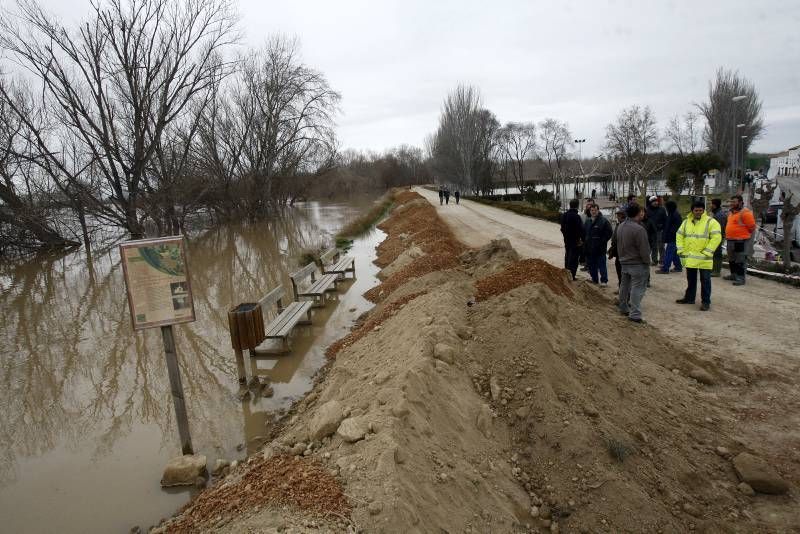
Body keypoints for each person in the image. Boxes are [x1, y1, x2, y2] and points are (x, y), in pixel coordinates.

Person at [675, 200, 722, 311]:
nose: (698, 212)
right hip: (691, 258)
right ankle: (689, 298)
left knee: (705, 280)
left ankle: (706, 302)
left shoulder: (711, 222)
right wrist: (681, 250)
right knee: (691, 279)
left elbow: (716, 238)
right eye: (696, 210)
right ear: (692, 210)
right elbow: (679, 235)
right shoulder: (686, 222)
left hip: (704, 258)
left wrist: (707, 251)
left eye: (701, 210)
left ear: (703, 210)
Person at [616, 204, 650, 323]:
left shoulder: (620, 226)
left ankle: (623, 307)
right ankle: (635, 314)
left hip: (624, 261)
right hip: (637, 263)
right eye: (642, 211)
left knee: (624, 286)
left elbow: (617, 244)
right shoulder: (639, 229)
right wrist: (647, 262)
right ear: (639, 213)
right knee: (637, 288)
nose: (643, 213)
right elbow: (644, 249)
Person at [724, 194, 755, 285]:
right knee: (732, 259)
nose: (732, 203)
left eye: (734, 202)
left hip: (741, 241)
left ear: (740, 202)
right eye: (731, 202)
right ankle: (733, 275)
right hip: (730, 240)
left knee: (740, 260)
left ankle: (740, 278)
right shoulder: (731, 213)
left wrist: (743, 235)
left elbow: (752, 227)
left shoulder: (745, 213)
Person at [583, 203, 613, 285]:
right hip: (590, 248)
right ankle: (594, 279)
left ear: (598, 210)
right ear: (590, 211)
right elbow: (584, 233)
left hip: (600, 248)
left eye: (595, 210)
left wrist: (602, 241)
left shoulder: (603, 221)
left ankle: (604, 280)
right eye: (592, 210)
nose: (593, 212)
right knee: (591, 265)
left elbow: (609, 232)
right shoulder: (588, 221)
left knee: (601, 265)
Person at [657, 200, 683, 274]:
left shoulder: (675, 215)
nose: (666, 208)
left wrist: (668, 234)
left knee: (669, 253)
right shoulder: (672, 213)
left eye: (666, 207)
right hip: (673, 237)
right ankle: (678, 267)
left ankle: (665, 268)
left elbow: (675, 228)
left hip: (673, 237)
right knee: (674, 253)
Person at [560, 198, 583, 281]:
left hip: (566, 239)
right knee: (573, 259)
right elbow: (580, 229)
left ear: (570, 205)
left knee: (567, 256)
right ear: (577, 206)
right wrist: (580, 239)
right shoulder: (577, 217)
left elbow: (562, 228)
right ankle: (572, 276)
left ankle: (566, 273)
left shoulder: (564, 215)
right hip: (575, 240)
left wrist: (565, 236)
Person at [607, 206, 626, 291]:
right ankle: (621, 288)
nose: (617, 217)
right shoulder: (619, 225)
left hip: (624, 254)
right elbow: (614, 239)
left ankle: (623, 291)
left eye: (619, 215)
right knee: (619, 273)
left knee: (623, 273)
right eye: (617, 215)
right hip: (618, 253)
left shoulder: (625, 226)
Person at [645, 196, 667, 266]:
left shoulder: (662, 209)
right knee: (654, 246)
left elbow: (665, 219)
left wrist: (663, 227)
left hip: (660, 230)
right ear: (651, 202)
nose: (655, 202)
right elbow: (646, 220)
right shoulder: (647, 210)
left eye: (656, 201)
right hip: (651, 231)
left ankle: (662, 260)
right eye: (654, 201)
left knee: (661, 246)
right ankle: (654, 261)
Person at [710, 198, 728, 277]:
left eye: (711, 204)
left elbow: (719, 228)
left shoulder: (719, 215)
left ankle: (716, 271)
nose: (710, 206)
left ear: (714, 205)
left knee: (717, 253)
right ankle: (714, 269)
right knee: (715, 253)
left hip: (718, 237)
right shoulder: (717, 213)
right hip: (716, 236)